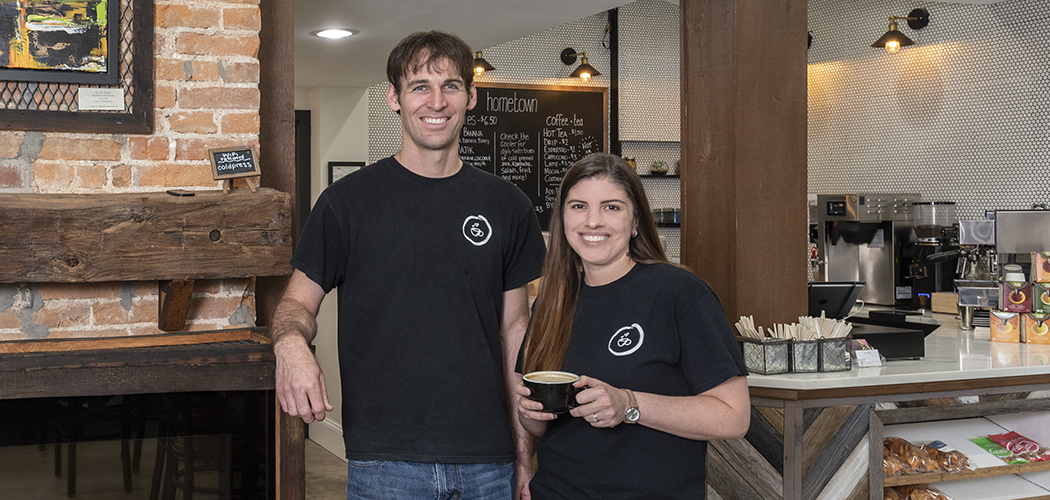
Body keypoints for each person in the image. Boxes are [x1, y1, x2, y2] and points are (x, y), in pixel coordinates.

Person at [272, 31, 546, 499]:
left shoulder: (507, 205)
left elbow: (515, 333)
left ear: (471, 97)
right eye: (420, 86)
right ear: (393, 98)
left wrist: (525, 454)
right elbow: (296, 304)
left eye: (451, 86)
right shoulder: (347, 203)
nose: (436, 101)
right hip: (385, 462)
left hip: (488, 462)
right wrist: (291, 347)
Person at [513, 153, 751, 499]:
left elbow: (733, 417)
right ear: (562, 218)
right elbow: (541, 427)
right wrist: (529, 411)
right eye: (579, 206)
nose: (593, 222)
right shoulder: (552, 303)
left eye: (611, 207)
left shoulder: (679, 294)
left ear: (636, 221)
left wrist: (628, 404)